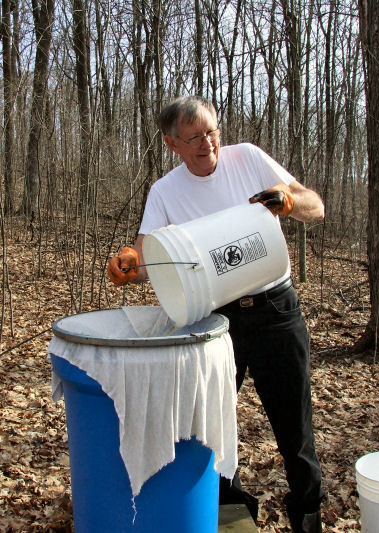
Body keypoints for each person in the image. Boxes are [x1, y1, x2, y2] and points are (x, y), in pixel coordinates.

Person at [107, 96, 325, 533]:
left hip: (276, 310)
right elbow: (149, 258)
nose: (207, 143)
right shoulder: (165, 191)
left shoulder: (247, 158)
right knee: (210, 430)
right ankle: (232, 519)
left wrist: (287, 201)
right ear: (173, 144)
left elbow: (315, 207)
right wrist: (128, 262)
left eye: (211, 132)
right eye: (194, 138)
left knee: (295, 432)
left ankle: (307, 518)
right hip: (216, 320)